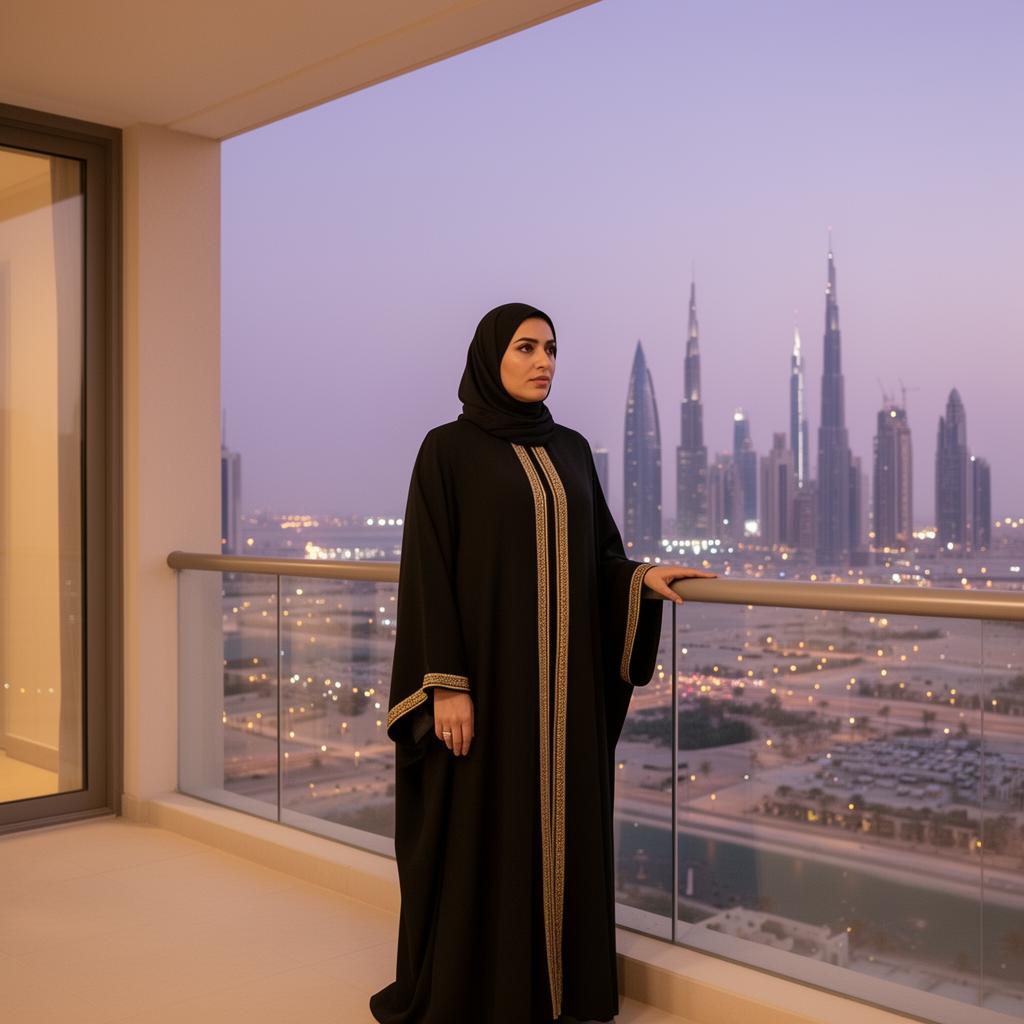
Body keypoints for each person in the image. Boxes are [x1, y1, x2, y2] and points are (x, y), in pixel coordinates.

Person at [369, 302, 717, 1024]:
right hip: (488, 692)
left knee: (564, 829)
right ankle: (483, 996)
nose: (544, 362)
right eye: (526, 347)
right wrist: (447, 686)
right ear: (490, 356)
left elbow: (599, 556)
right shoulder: (447, 451)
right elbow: (428, 570)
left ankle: (561, 990)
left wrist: (638, 578)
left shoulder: (572, 450)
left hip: (565, 699)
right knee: (485, 834)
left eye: (552, 349)